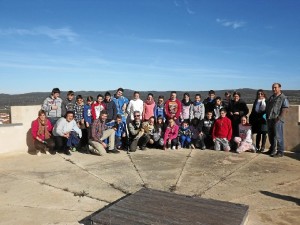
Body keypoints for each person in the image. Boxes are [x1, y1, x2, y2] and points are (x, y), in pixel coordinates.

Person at [265, 83, 289, 157]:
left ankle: (280, 152)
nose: (274, 89)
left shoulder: (283, 98)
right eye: (273, 88)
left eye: (275, 87)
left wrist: (279, 118)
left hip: (277, 120)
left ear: (280, 88)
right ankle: (272, 149)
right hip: (270, 119)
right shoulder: (271, 97)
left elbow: (285, 108)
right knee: (271, 135)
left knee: (278, 136)